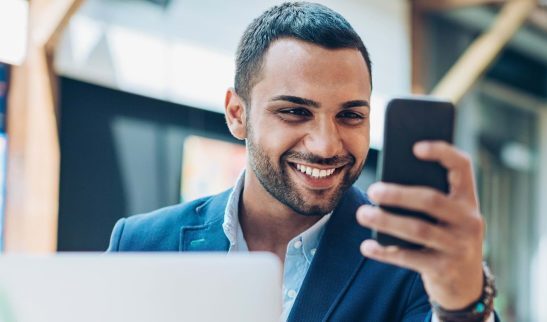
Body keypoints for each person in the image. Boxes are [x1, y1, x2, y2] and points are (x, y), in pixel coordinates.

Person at [108, 2, 498, 321]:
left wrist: (464, 302)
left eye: (350, 115)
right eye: (294, 112)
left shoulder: (410, 262)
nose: (327, 145)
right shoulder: (142, 245)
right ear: (236, 114)